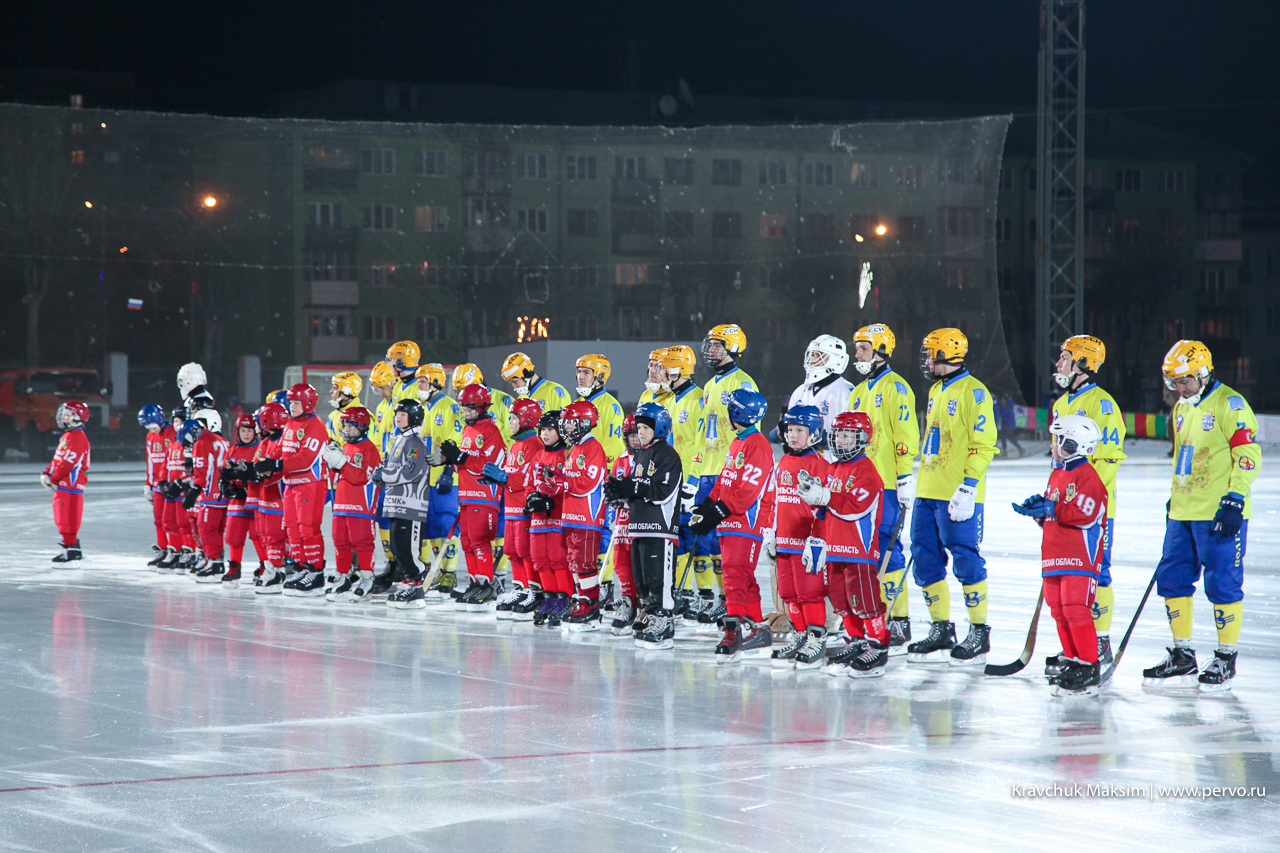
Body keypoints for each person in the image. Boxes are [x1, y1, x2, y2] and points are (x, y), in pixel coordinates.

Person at [1143, 340, 1260, 693]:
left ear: (1203, 373)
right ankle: (1183, 654)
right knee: (1173, 580)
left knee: (1222, 583)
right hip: (1183, 511)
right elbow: (1185, 456)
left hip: (1218, 512)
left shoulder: (1230, 404)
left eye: (1184, 381)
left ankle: (1226, 657)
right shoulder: (1181, 407)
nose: (1179, 389)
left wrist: (1235, 498)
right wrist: (1173, 498)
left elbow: (1248, 454)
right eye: (1173, 383)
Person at [908, 328, 999, 665]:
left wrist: (969, 485)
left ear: (946, 354)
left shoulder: (974, 392)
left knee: (965, 558)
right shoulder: (936, 388)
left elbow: (985, 443)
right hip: (927, 491)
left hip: (957, 494)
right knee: (925, 558)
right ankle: (941, 628)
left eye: (931, 353)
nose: (927, 359)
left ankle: (979, 632)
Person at [1046, 335, 1127, 672]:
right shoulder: (1060, 403)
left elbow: (1108, 458)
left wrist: (1084, 502)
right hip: (1063, 509)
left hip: (1089, 514)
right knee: (1064, 576)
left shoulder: (1102, 403)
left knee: (1096, 573)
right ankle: (1078, 644)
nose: (1058, 364)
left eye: (1064, 358)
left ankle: (1100, 639)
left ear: (1082, 363)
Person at [1012, 415, 1108, 696]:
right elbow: (1056, 514)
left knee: (1076, 610)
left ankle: (1088, 664)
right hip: (1054, 556)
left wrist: (1050, 509)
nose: (1054, 445)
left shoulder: (1087, 475)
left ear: (1073, 444)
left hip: (1079, 559)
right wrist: (1040, 513)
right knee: (1059, 610)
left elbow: (1084, 513)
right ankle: (1073, 657)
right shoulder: (1057, 473)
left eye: (1059, 440)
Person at [799, 411, 888, 677]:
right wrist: (813, 495)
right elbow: (824, 510)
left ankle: (878, 646)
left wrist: (825, 495)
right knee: (840, 600)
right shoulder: (834, 468)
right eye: (838, 435)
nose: (841, 442)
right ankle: (856, 641)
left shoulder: (865, 470)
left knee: (864, 600)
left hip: (858, 550)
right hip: (834, 548)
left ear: (862, 439)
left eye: (848, 436)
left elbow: (854, 507)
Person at [849, 323, 920, 654]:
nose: (857, 354)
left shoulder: (897, 388)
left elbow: (905, 436)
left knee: (888, 546)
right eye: (857, 348)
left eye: (862, 348)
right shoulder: (858, 390)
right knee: (864, 550)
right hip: (860, 485)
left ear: (880, 350)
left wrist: (904, 477)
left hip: (888, 485)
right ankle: (872, 612)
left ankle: (900, 618)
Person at [690, 388, 774, 664]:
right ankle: (759, 628)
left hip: (746, 522)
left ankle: (733, 629)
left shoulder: (757, 443)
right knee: (743, 577)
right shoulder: (739, 441)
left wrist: (718, 511)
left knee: (734, 574)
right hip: (729, 521)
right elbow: (725, 480)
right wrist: (707, 507)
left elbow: (748, 490)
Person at [687, 324, 757, 628]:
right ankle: (717, 598)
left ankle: (732, 602)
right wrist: (695, 473)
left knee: (728, 543)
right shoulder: (710, 385)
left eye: (717, 345)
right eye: (710, 345)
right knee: (707, 541)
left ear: (733, 347)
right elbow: (704, 433)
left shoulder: (743, 381)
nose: (711, 351)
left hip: (730, 472)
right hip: (708, 471)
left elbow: (749, 428)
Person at [606, 402, 683, 650]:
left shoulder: (667, 455)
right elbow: (633, 489)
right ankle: (649, 613)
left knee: (658, 578)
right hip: (637, 527)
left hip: (659, 529)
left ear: (659, 427)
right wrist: (619, 492)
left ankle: (664, 620)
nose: (640, 432)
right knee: (643, 580)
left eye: (645, 428)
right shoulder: (640, 455)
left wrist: (634, 488)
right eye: (638, 427)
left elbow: (663, 492)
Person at [764, 405, 830, 668]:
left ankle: (817, 637)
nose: (792, 435)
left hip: (806, 543)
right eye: (789, 430)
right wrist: (770, 531)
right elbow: (776, 501)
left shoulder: (821, 465)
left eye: (799, 431)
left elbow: (826, 508)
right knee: (789, 594)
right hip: (784, 541)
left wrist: (819, 539)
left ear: (814, 433)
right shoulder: (783, 463)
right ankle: (800, 634)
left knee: (809, 593)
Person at [538, 400, 610, 630]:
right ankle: (582, 600)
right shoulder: (575, 447)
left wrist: (561, 483)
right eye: (565, 424)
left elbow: (588, 481)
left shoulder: (593, 447)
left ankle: (591, 605)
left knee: (584, 561)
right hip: (570, 516)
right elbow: (569, 475)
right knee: (574, 561)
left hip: (587, 517)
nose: (567, 428)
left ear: (586, 423)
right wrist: (552, 477)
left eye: (571, 423)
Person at [437, 384, 509, 609]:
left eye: (470, 410)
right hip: (466, 494)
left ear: (482, 407)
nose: (466, 414)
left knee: (479, 541)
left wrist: (461, 458)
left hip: (483, 495)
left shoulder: (491, 431)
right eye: (464, 409)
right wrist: (452, 460)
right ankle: (476, 582)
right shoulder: (467, 430)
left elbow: (490, 464)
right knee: (467, 542)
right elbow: (464, 466)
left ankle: (487, 586)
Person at [488, 397, 544, 619]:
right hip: (510, 507)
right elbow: (512, 473)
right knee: (512, 551)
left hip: (523, 508)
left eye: (513, 417)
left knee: (525, 551)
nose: (510, 422)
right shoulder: (516, 444)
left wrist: (505, 477)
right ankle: (519, 588)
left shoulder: (534, 444)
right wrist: (497, 478)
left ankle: (533, 590)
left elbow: (529, 477)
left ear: (527, 419)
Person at [321, 406, 382, 603]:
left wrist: (342, 464)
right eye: (345, 426)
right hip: (341, 504)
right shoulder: (345, 447)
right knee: (340, 540)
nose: (347, 430)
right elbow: (336, 478)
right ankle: (343, 577)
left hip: (361, 506)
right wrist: (331, 462)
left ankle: (367, 579)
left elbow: (362, 477)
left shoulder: (369, 449)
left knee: (362, 542)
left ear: (363, 427)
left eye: (352, 426)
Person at [377, 398, 433, 609]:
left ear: (414, 417)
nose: (397, 417)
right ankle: (409, 582)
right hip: (394, 503)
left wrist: (384, 474)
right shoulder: (398, 440)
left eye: (403, 414)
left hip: (410, 505)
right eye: (397, 413)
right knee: (398, 547)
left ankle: (416, 586)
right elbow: (390, 466)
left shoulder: (415, 443)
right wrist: (381, 471)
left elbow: (410, 471)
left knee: (408, 548)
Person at [275, 384, 330, 596]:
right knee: (292, 528)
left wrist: (278, 465)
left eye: (297, 403)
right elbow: (282, 449)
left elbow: (306, 458)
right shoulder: (291, 423)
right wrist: (267, 463)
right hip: (291, 482)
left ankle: (316, 572)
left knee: (308, 528)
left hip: (310, 483)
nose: (293, 407)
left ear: (308, 403)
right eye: (291, 403)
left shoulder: (315, 425)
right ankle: (302, 566)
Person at [416, 363, 464, 598]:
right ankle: (440, 569)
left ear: (435, 383)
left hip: (446, 479)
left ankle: (450, 573)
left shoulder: (449, 407)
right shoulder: (425, 408)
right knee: (432, 527)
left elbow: (456, 442)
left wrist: (448, 471)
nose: (419, 386)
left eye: (423, 381)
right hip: (426, 479)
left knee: (447, 524)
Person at [526, 410, 570, 626]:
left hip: (558, 517)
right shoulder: (539, 454)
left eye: (550, 429)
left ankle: (564, 597)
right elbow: (530, 481)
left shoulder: (566, 454)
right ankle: (549, 596)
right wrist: (531, 498)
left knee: (557, 559)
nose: (545, 434)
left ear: (560, 431)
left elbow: (570, 486)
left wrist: (552, 502)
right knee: (539, 559)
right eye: (542, 429)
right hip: (539, 518)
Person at [602, 414, 641, 635]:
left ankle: (642, 602)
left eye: (638, 435)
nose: (635, 440)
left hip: (642, 517)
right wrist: (613, 496)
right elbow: (614, 484)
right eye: (631, 436)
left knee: (640, 562)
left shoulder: (649, 458)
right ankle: (627, 600)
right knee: (621, 560)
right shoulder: (621, 460)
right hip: (623, 519)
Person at [184, 409, 232, 583]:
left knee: (205, 527)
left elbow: (202, 470)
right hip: (225, 494)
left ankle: (215, 563)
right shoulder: (225, 441)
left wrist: (195, 490)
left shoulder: (203, 442)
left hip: (210, 494)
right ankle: (217, 560)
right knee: (217, 530)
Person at [42, 401, 92, 568]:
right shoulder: (68, 436)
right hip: (64, 485)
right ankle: (70, 546)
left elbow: (68, 463)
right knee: (62, 517)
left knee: (68, 518)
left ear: (77, 417)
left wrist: (54, 478)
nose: (63, 417)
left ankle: (72, 550)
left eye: (67, 414)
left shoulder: (78, 437)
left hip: (71, 485)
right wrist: (47, 473)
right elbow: (58, 459)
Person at [218, 414, 264, 587]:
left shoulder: (260, 448)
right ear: (238, 431)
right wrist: (225, 485)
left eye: (249, 430)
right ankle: (234, 567)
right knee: (233, 536)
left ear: (255, 431)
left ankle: (265, 566)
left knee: (258, 535)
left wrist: (246, 489)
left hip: (254, 500)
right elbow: (224, 471)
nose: (246, 434)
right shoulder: (232, 450)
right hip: (236, 502)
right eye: (243, 430)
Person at [782, 334, 854, 437]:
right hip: (805, 453)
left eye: (819, 355)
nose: (812, 360)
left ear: (835, 359)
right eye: (811, 354)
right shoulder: (800, 391)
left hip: (830, 453)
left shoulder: (846, 392)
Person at [251, 402, 289, 592]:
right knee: (265, 536)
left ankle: (278, 571)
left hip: (278, 499)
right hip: (264, 499)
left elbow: (282, 469)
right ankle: (271, 568)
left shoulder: (283, 441)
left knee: (275, 537)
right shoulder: (265, 443)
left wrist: (268, 470)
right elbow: (257, 465)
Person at [157, 407, 192, 572]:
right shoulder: (172, 444)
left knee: (184, 523)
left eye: (181, 421)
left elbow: (191, 470)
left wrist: (180, 483)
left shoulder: (189, 445)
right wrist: (162, 482)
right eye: (176, 422)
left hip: (182, 492)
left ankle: (188, 551)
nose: (178, 425)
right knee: (169, 522)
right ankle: (174, 550)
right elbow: (165, 464)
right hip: (171, 492)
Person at [573, 354, 625, 463]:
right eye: (579, 371)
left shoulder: (611, 406)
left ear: (600, 376)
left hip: (598, 471)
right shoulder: (575, 404)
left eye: (586, 372)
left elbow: (614, 446)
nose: (580, 377)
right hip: (577, 470)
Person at [138, 404, 172, 566]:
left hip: (172, 486)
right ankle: (163, 549)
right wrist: (148, 484)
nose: (151, 430)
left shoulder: (173, 433)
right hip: (158, 485)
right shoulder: (150, 437)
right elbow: (150, 461)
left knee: (172, 521)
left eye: (153, 427)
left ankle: (176, 550)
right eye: (148, 428)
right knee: (159, 520)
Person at [453, 362, 515, 443]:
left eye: (465, 390)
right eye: (459, 392)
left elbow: (513, 438)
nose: (463, 395)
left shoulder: (503, 401)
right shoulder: (463, 407)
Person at [501, 351, 571, 412]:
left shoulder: (555, 391)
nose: (514, 387)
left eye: (515, 381)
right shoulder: (521, 398)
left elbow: (564, 423)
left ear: (526, 374)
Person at [325, 372, 364, 442]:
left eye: (335, 388)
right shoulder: (332, 416)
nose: (331, 391)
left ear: (346, 392)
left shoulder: (363, 417)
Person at [386, 340, 423, 406]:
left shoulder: (421, 387)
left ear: (399, 363)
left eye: (392, 360)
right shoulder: (398, 385)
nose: (389, 364)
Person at [996, 394, 1023, 458]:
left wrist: (998, 408)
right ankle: (1005, 452)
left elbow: (1002, 413)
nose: (1002, 401)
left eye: (1003, 399)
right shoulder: (1004, 406)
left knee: (1010, 437)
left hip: (1009, 425)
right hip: (1005, 425)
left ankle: (1020, 448)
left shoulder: (1009, 406)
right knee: (1003, 437)